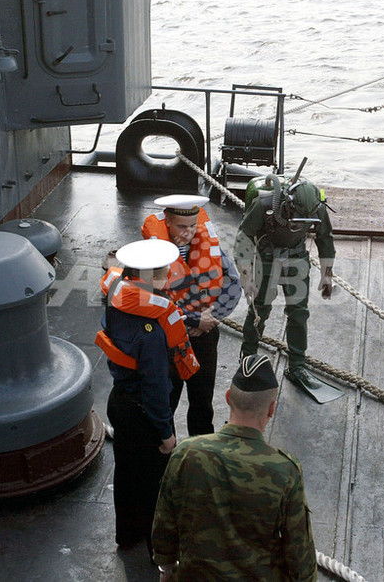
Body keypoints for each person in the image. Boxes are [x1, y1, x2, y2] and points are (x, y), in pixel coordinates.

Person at [152, 354, 318, 580]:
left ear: (228, 397)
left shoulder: (186, 453)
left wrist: (166, 568)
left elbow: (165, 523)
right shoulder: (284, 471)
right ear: (271, 409)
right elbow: (299, 551)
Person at [94, 239, 199, 550]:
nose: (168, 280)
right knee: (155, 482)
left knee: (126, 473)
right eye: (164, 275)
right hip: (143, 412)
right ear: (151, 279)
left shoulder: (115, 301)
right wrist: (166, 433)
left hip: (119, 400)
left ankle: (126, 536)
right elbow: (155, 387)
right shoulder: (151, 330)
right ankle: (159, 548)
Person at [142, 194, 242, 436]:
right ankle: (165, 444)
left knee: (202, 396)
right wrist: (193, 321)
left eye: (192, 226)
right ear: (167, 222)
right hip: (170, 338)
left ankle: (201, 443)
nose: (188, 232)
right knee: (168, 395)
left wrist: (210, 318)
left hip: (205, 334)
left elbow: (232, 283)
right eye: (181, 227)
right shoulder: (148, 256)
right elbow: (150, 299)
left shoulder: (210, 248)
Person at [234, 177, 334, 391]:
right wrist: (246, 275)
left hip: (296, 258)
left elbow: (324, 237)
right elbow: (244, 236)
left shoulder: (316, 207)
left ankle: (297, 365)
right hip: (266, 258)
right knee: (259, 309)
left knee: (298, 312)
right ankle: (248, 355)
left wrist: (327, 273)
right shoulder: (265, 205)